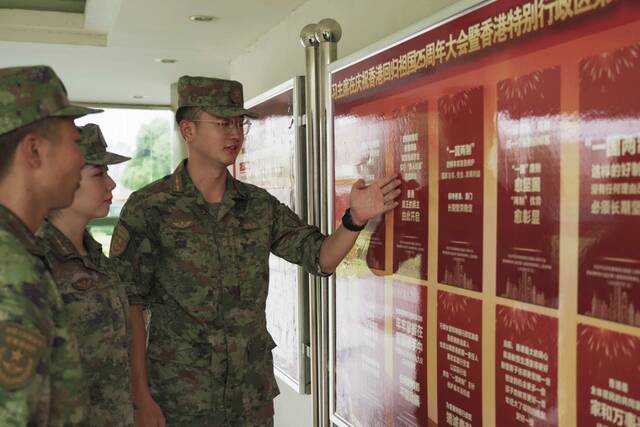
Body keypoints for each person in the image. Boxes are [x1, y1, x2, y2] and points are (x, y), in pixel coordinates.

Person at [111, 75, 400, 427]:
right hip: (178, 400)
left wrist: (354, 219)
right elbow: (130, 305)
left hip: (250, 400)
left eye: (239, 123)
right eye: (222, 123)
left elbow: (319, 256)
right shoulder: (150, 208)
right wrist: (140, 398)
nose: (235, 133)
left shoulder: (257, 206)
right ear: (188, 130)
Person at [0, 65, 101, 425]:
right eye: (76, 143)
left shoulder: (20, 249)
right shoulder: (10, 269)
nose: (81, 157)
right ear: (34, 151)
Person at [39, 123, 134, 426]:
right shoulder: (36, 260)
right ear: (64, 177)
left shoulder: (95, 255)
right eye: (98, 174)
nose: (111, 185)